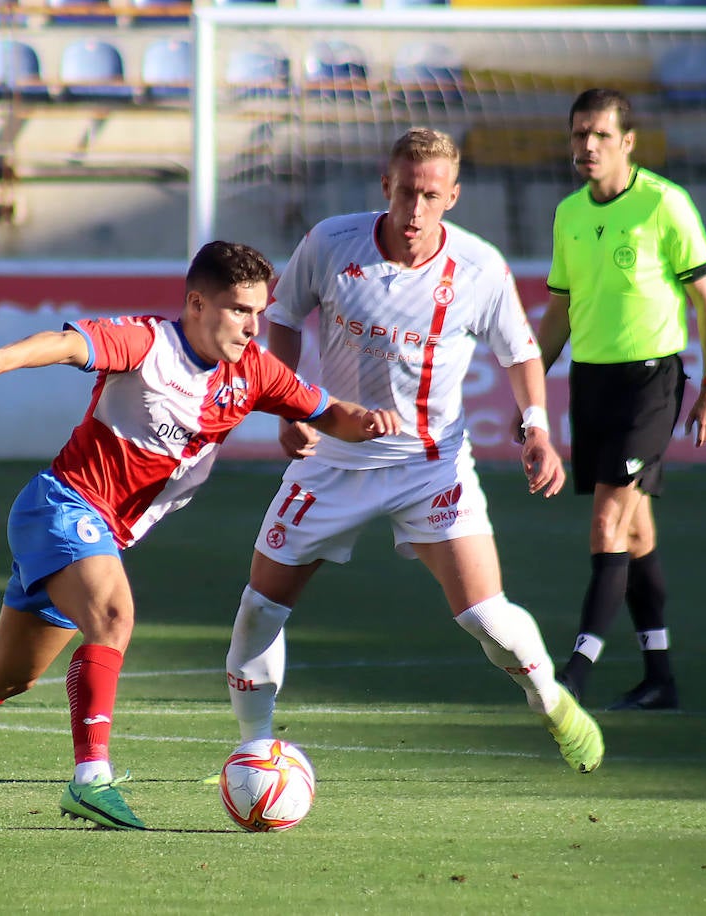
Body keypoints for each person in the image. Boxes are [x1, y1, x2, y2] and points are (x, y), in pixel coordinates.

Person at [0, 241, 402, 828]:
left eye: (259, 311)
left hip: (98, 533)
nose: (252, 324)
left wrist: (363, 422)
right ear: (196, 304)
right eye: (240, 309)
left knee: (6, 675)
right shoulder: (146, 343)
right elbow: (66, 344)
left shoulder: (253, 370)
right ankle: (91, 779)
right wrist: (4, 359)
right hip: (61, 507)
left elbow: (322, 409)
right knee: (113, 617)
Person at [221, 127, 605, 776]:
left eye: (430, 196)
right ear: (385, 187)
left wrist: (537, 426)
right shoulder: (330, 242)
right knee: (260, 607)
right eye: (405, 193)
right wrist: (291, 406)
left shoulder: (480, 268)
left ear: (452, 196)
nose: (415, 211)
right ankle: (255, 749)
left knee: (486, 616)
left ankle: (552, 701)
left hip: (431, 466)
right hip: (333, 459)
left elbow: (520, 351)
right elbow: (283, 317)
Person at [531, 88, 706, 711]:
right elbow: (559, 310)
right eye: (578, 135)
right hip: (591, 380)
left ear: (627, 141)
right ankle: (659, 676)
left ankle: (574, 674)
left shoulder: (665, 205)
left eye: (600, 135)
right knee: (636, 531)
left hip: (651, 381)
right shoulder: (568, 214)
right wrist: (532, 392)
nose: (587, 146)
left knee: (607, 521)